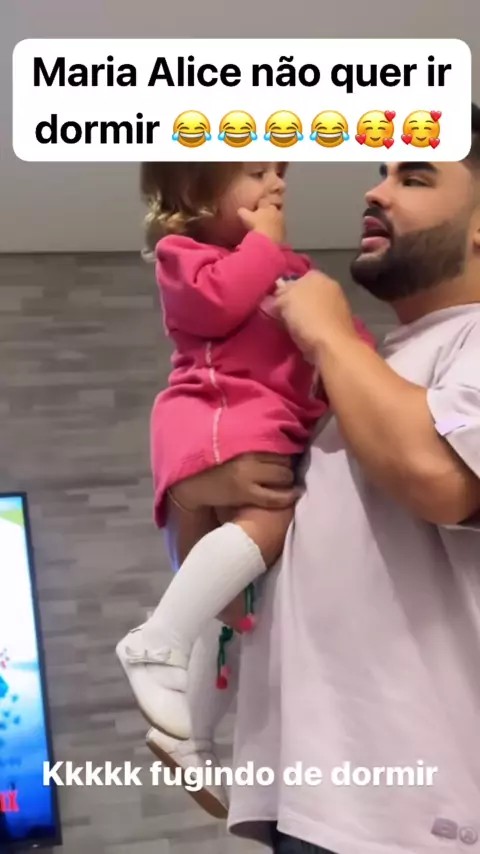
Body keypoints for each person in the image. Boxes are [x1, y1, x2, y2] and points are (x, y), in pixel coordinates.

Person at [159, 103, 480, 853]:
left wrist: (330, 331)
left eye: (414, 176)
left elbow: (441, 478)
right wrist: (193, 491)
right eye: (380, 171)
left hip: (418, 824)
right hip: (309, 801)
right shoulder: (366, 374)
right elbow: (222, 576)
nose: (375, 191)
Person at [116, 161, 373, 815]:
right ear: (193, 193)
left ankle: (192, 738)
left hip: (262, 428)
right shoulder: (184, 257)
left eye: (281, 171)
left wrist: (359, 363)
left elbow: (343, 342)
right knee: (266, 526)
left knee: (232, 609)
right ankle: (156, 641)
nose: (278, 184)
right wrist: (266, 247)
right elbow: (217, 302)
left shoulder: (291, 269)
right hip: (216, 417)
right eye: (257, 172)